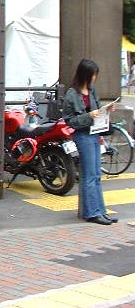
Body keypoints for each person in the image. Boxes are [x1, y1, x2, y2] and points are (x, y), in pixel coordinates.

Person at [62, 59, 117, 226]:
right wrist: (89, 116)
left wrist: (106, 110)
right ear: (85, 74)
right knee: (89, 175)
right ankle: (92, 213)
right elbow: (69, 120)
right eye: (93, 74)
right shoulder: (72, 94)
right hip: (83, 136)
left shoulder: (92, 90)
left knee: (97, 174)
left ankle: (101, 211)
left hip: (94, 133)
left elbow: (98, 109)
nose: (95, 77)